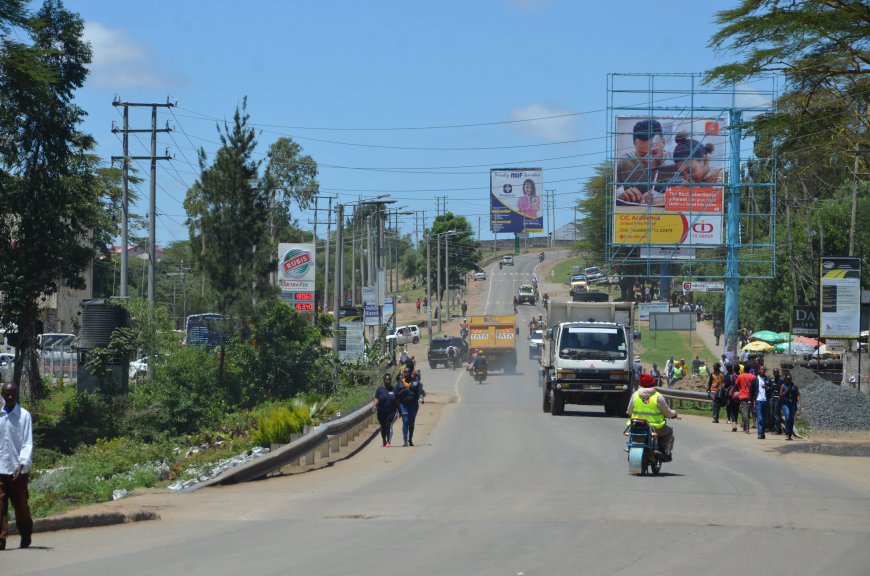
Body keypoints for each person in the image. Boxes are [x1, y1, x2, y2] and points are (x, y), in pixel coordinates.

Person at [0, 382, 33, 550]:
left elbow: (27, 443)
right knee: (0, 507)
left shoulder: (24, 416)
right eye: (7, 394)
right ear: (2, 395)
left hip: (17, 470)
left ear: (17, 393)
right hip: (0, 469)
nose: (10, 396)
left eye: (13, 393)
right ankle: (1, 540)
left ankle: (26, 534)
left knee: (20, 507)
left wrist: (22, 464)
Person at [616, 119, 676, 206]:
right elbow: (604, 190)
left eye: (654, 153)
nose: (649, 160)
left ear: (663, 142)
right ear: (634, 146)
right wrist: (619, 194)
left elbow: (695, 195)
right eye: (642, 154)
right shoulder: (624, 162)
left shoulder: (678, 162)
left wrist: (665, 197)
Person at [625, 373, 679, 461]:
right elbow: (667, 412)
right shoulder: (658, 396)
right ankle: (662, 450)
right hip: (655, 427)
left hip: (637, 425)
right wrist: (674, 414)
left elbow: (629, 410)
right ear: (652, 384)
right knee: (669, 432)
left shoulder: (635, 395)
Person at [396, 368, 425, 447]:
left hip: (413, 405)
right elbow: (395, 395)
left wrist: (421, 397)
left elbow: (420, 392)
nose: (406, 374)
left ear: (411, 374)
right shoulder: (400, 383)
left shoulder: (416, 383)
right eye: (405, 372)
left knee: (411, 423)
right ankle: (405, 441)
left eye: (408, 372)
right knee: (405, 421)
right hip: (403, 405)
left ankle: (410, 439)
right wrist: (401, 393)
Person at [372, 373, 398, 447]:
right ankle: (384, 440)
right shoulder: (380, 390)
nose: (388, 381)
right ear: (384, 380)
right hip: (381, 412)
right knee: (383, 427)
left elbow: (397, 400)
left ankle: (389, 441)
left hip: (392, 411)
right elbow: (377, 398)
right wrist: (374, 406)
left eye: (389, 380)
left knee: (389, 425)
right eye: (386, 380)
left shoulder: (394, 389)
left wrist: (400, 410)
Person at [750, 365, 771, 439]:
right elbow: (751, 391)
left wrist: (767, 388)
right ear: (758, 370)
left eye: (764, 370)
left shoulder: (768, 379)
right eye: (761, 369)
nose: (763, 371)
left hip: (766, 401)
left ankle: (762, 432)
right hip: (758, 401)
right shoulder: (755, 379)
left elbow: (772, 389)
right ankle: (760, 433)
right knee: (760, 418)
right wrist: (751, 401)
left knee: (765, 418)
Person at [779, 372, 801, 441]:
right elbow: (780, 395)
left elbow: (798, 394)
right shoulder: (783, 386)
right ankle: (787, 433)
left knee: (791, 419)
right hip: (786, 404)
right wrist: (787, 391)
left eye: (790, 379)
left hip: (793, 404)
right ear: (785, 380)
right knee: (787, 417)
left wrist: (799, 403)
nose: (789, 381)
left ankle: (790, 434)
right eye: (788, 379)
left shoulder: (795, 386)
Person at [734, 368, 756, 433]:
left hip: (743, 396)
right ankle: (745, 426)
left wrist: (732, 392)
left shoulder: (740, 376)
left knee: (745, 412)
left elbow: (736, 385)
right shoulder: (753, 377)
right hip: (751, 397)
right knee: (749, 411)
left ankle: (746, 428)